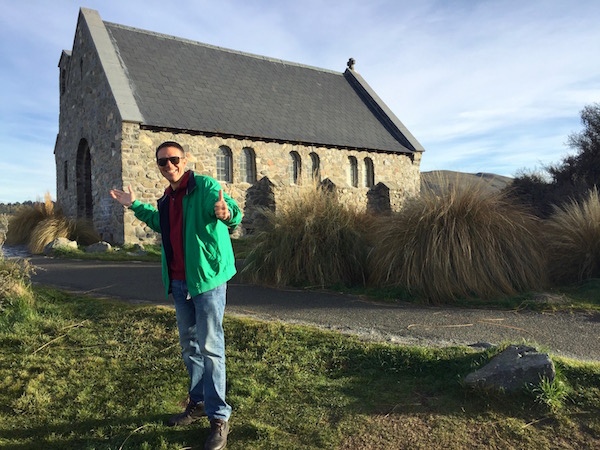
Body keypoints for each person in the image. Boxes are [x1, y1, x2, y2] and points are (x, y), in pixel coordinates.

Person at [110, 141, 241, 450]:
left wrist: (227, 213)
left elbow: (230, 211)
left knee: (211, 349)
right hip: (180, 283)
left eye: (173, 159)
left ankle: (219, 417)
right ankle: (198, 403)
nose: (169, 165)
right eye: (162, 162)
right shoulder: (167, 198)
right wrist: (134, 204)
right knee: (189, 347)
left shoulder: (205, 187)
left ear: (185, 160)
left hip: (207, 281)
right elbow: (160, 222)